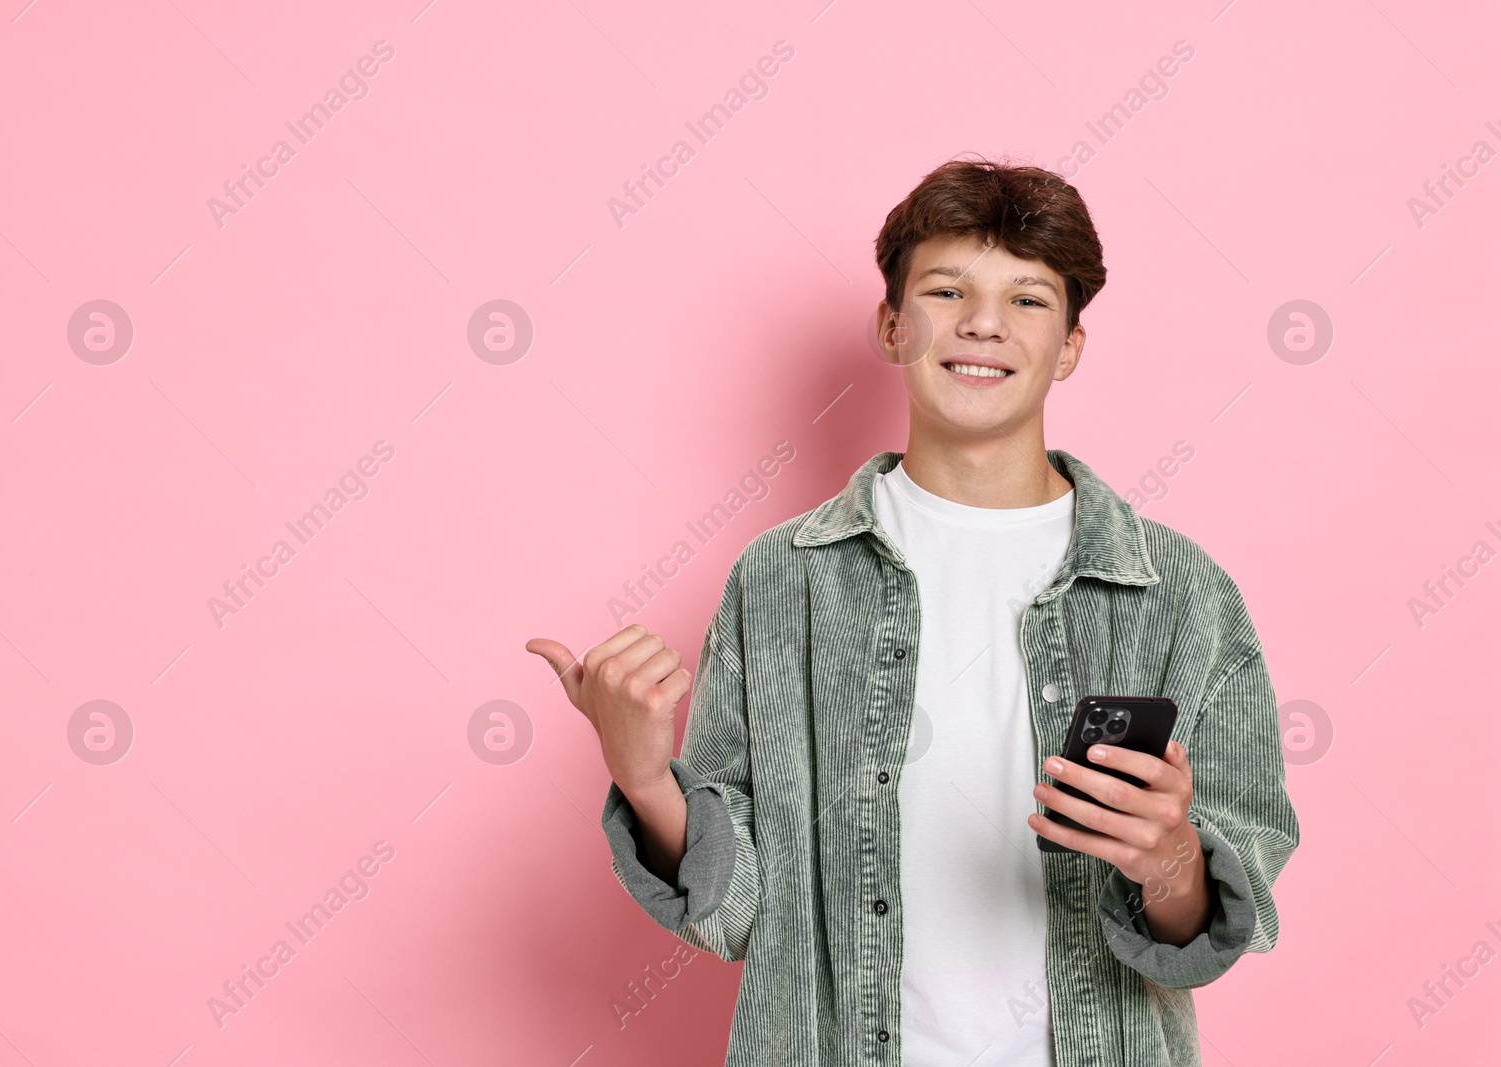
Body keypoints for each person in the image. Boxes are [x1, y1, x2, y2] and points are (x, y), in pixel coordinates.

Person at [526, 155, 1300, 1067]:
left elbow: (1211, 927)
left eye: (1028, 298)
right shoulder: (782, 579)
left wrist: (1168, 857)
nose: (982, 323)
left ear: (1072, 346)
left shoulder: (1180, 594)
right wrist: (647, 777)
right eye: (946, 289)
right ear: (893, 325)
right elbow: (739, 918)